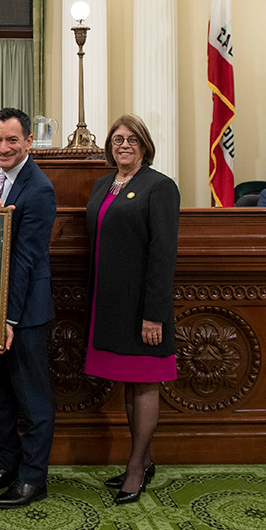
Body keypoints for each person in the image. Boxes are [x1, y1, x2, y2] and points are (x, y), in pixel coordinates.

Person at [84, 114, 179, 505]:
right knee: (128, 380)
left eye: (132, 140)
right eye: (117, 139)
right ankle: (144, 458)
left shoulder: (160, 187)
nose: (124, 145)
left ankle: (136, 468)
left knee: (144, 382)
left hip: (144, 307)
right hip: (110, 305)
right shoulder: (103, 185)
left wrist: (154, 313)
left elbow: (162, 254)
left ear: (144, 145)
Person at [0, 108, 56, 509]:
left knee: (32, 398)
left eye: (12, 141)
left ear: (28, 142)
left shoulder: (40, 189)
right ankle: (8, 466)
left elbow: (24, 259)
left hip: (24, 314)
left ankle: (34, 479)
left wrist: (8, 319)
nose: (3, 148)